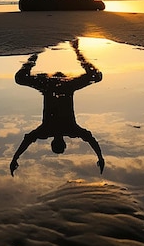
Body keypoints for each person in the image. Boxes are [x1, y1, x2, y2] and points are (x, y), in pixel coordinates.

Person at [10, 39, 105, 176]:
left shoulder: (69, 130)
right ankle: (39, 54)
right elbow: (27, 140)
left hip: (61, 86)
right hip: (54, 86)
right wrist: (15, 158)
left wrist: (100, 157)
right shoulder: (48, 130)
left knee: (96, 76)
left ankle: (38, 53)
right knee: (20, 79)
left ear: (64, 143)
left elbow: (90, 139)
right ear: (53, 142)